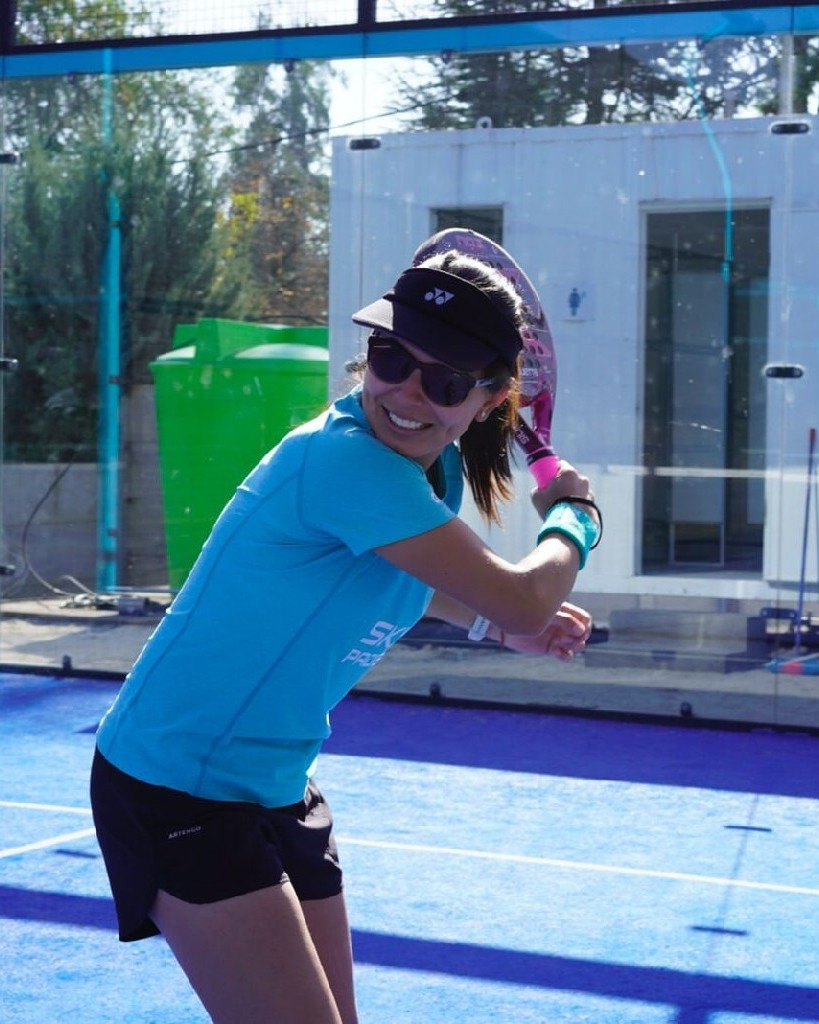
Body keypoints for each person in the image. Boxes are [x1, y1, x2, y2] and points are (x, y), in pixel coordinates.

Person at [90, 244, 601, 1024]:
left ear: (490, 399)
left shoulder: (427, 471)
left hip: (273, 779)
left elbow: (386, 574)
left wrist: (488, 624)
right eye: (391, 358)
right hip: (176, 781)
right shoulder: (343, 461)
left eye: (445, 381)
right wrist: (574, 518)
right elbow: (527, 599)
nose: (407, 392)